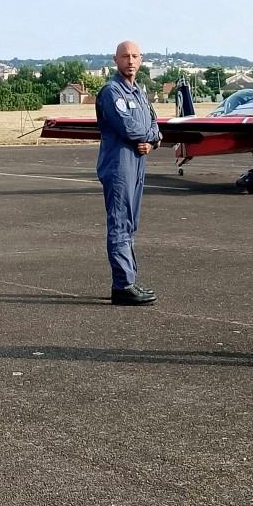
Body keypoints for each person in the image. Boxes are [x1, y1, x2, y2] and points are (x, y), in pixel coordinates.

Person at [95, 40, 161, 306]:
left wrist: (153, 140)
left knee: (130, 222)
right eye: (125, 56)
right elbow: (129, 128)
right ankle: (122, 285)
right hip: (119, 164)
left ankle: (129, 280)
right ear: (116, 60)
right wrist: (152, 136)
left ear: (141, 60)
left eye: (134, 56)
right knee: (120, 222)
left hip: (137, 162)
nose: (130, 61)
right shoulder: (112, 92)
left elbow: (152, 121)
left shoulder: (138, 93)